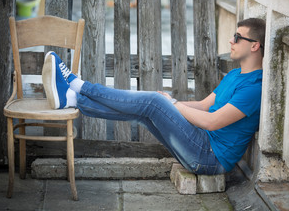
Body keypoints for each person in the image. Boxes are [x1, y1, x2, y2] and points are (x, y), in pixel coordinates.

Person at [42, 18, 265, 175]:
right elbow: (204, 106)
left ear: (255, 46)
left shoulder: (255, 88)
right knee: (147, 112)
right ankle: (72, 99)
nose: (231, 41)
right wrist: (169, 105)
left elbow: (211, 121)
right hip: (201, 145)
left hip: (209, 158)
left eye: (237, 37)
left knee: (154, 102)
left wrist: (171, 103)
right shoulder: (235, 75)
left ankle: (77, 84)